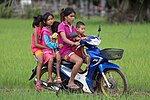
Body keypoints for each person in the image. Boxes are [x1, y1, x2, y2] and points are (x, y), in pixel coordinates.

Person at [58, 7, 83, 89]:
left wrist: (81, 39)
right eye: (71, 16)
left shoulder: (72, 27)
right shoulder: (61, 26)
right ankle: (71, 81)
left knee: (88, 58)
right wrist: (73, 43)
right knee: (79, 60)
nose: (73, 18)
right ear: (65, 17)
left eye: (74, 16)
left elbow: (74, 36)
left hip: (72, 49)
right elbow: (64, 39)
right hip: (64, 51)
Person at [42, 12, 62, 84]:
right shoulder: (45, 31)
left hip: (54, 49)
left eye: (52, 19)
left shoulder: (54, 28)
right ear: (45, 22)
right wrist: (56, 45)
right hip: (46, 49)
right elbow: (47, 43)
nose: (51, 21)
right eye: (49, 20)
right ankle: (49, 77)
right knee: (50, 59)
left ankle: (58, 76)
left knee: (60, 58)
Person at [31, 15, 48, 91]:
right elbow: (36, 44)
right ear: (41, 22)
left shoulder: (43, 30)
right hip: (37, 49)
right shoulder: (36, 30)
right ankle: (38, 82)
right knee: (41, 61)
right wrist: (46, 47)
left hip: (42, 48)